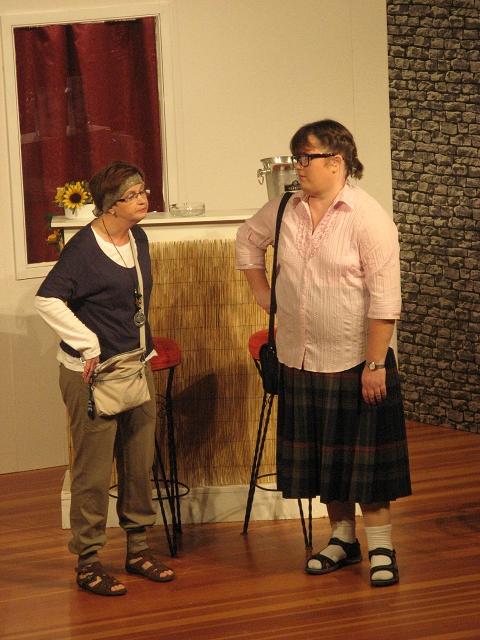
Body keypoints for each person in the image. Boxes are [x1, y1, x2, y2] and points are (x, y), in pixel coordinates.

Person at [236, 119, 411, 587]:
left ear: (337, 161)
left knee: (365, 465)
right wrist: (263, 294)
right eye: (297, 157)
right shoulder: (284, 208)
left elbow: (386, 300)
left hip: (357, 360)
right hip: (300, 358)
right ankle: (342, 540)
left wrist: (375, 364)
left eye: (306, 157)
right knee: (325, 460)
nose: (298, 166)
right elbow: (246, 240)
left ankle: (382, 548)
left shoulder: (367, 217)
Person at [35, 160, 174, 596]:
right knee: (93, 472)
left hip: (134, 367)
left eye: (143, 190)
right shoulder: (82, 249)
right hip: (93, 376)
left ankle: (138, 549)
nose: (144, 199)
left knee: (138, 463)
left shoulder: (137, 237)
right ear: (111, 205)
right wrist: (88, 344)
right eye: (134, 195)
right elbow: (47, 300)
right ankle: (89, 561)